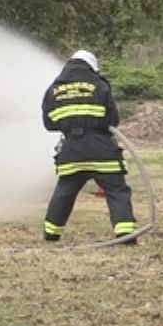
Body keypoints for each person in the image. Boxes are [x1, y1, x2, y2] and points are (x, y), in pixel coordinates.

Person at [39, 50, 137, 244]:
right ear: (92, 66)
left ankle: (51, 234)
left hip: (71, 150)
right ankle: (125, 234)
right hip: (101, 148)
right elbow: (112, 119)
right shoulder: (99, 85)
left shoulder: (53, 89)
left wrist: (70, 124)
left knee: (64, 191)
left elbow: (49, 124)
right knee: (116, 190)